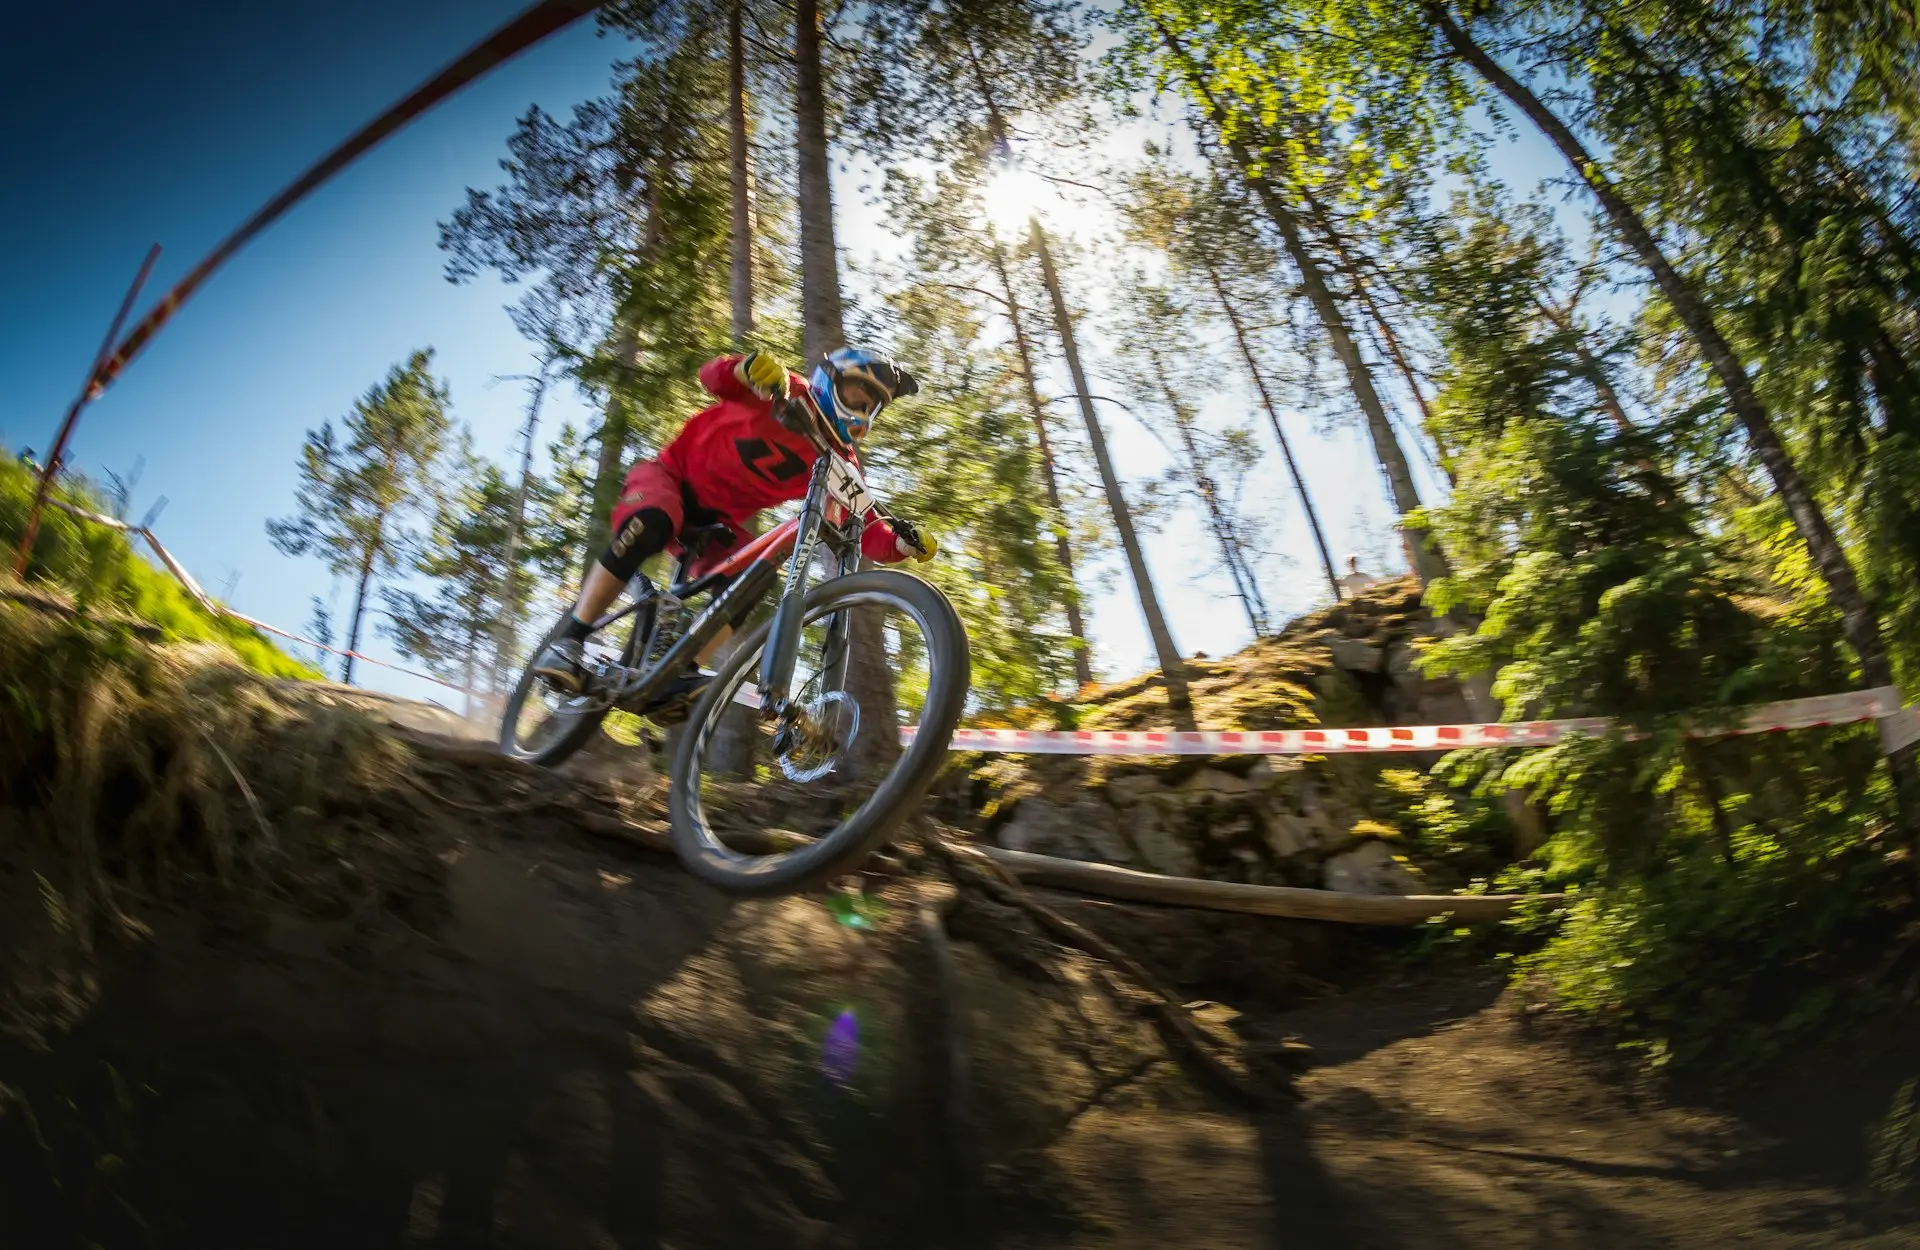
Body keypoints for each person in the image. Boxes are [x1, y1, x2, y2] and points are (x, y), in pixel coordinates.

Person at [531, 346, 936, 709]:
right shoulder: (784, 390)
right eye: (856, 398)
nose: (862, 413)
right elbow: (713, 376)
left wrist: (902, 544)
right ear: (830, 380)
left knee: (752, 580)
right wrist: (747, 369)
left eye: (871, 408)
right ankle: (569, 639)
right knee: (654, 521)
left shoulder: (840, 460)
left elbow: (863, 526)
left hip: (716, 525)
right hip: (667, 478)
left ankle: (677, 674)